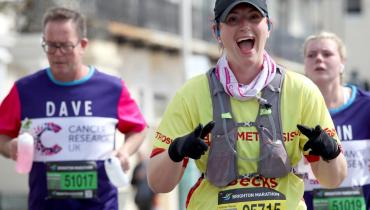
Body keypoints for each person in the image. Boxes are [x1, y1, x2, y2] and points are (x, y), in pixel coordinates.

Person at [147, 0, 347, 209]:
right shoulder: (192, 94)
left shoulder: (301, 90)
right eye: (232, 19)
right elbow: (158, 183)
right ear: (216, 31)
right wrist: (176, 152)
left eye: (254, 17)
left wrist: (330, 152)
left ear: (268, 26)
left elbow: (333, 179)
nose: (244, 26)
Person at [0, 7, 147, 210]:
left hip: (100, 206)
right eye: (50, 46)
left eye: (65, 46)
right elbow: (1, 134)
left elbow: (138, 129)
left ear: (83, 45)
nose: (57, 54)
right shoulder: (25, 90)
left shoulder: (111, 88)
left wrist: (124, 151)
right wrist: (10, 148)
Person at [302, 31, 370, 210]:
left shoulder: (366, 105)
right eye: (311, 55)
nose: (318, 58)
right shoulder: (295, 109)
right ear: (305, 64)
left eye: (327, 54)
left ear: (342, 62)